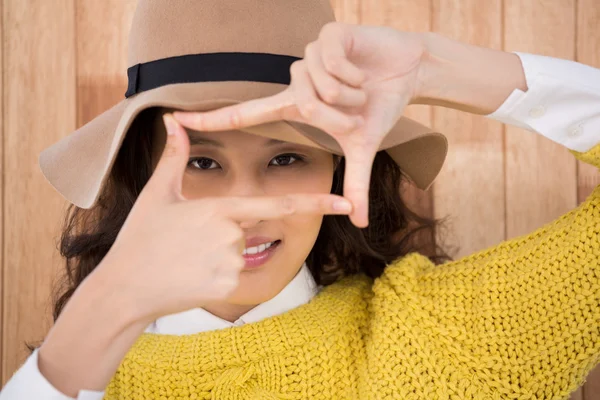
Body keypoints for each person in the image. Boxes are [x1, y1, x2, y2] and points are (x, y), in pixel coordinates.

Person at [1, 0, 599, 399]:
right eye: (201, 160)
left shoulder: (438, 345)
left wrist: (436, 67)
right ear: (139, 171)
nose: (247, 206)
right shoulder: (75, 376)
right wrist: (105, 306)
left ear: (340, 167)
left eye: (287, 157)